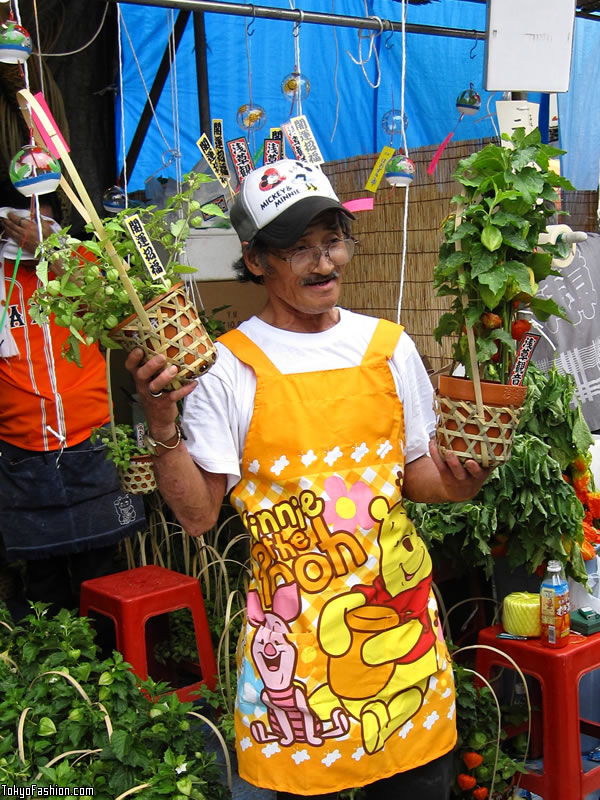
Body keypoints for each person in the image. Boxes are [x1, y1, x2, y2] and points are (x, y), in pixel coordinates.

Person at [126, 159, 492, 799]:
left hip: (399, 634)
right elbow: (198, 515)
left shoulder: (389, 346)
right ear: (256, 259)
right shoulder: (229, 367)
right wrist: (162, 421)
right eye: (299, 248)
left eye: (332, 240)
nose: (325, 263)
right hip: (292, 655)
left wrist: (462, 482)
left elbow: (418, 477)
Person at [0, 183, 146, 619]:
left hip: (91, 439)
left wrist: (52, 252)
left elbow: (121, 312)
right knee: (41, 574)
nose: (31, 229)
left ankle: (109, 662)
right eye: (22, 220)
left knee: (99, 571)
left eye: (41, 219)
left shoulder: (79, 264)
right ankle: (52, 671)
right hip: (19, 449)